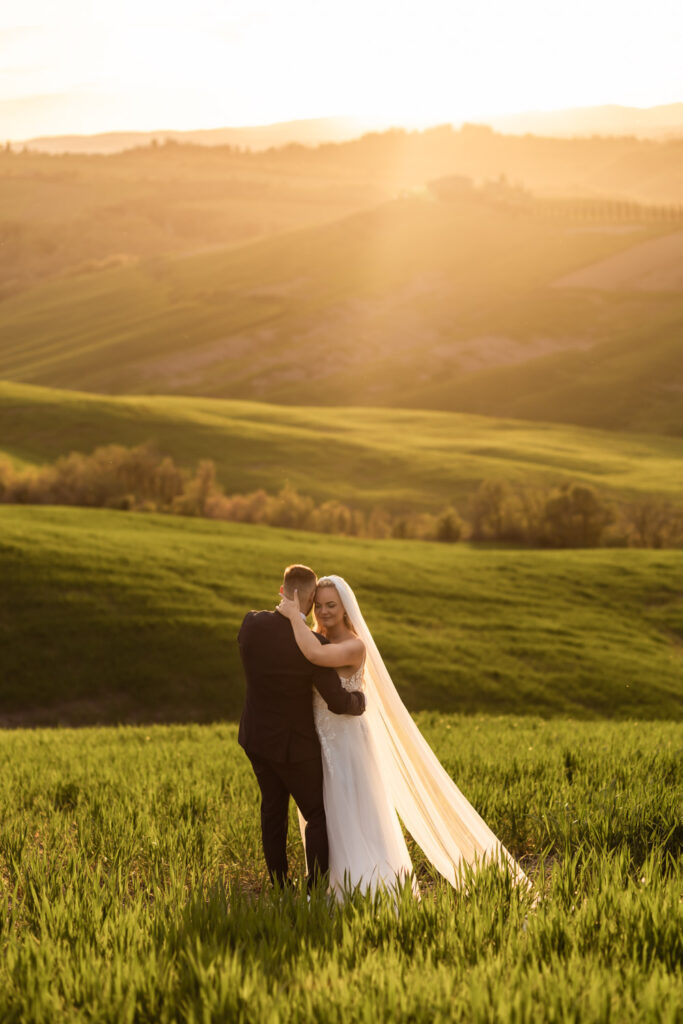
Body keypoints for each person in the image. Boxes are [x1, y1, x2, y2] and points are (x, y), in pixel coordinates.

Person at [276, 574, 532, 899]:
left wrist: (291, 615)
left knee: (349, 813)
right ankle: (328, 884)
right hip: (318, 743)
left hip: (348, 743)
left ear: (345, 610)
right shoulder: (312, 636)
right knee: (322, 817)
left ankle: (364, 889)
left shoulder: (354, 644)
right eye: (320, 605)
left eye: (332, 605)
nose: (324, 612)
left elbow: (315, 656)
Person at [237, 564, 366, 892]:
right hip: (295, 747)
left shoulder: (250, 624)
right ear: (310, 599)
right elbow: (337, 702)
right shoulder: (311, 645)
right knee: (317, 814)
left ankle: (280, 886)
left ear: (282, 591)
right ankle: (315, 888)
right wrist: (360, 702)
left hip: (256, 738)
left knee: (272, 810)